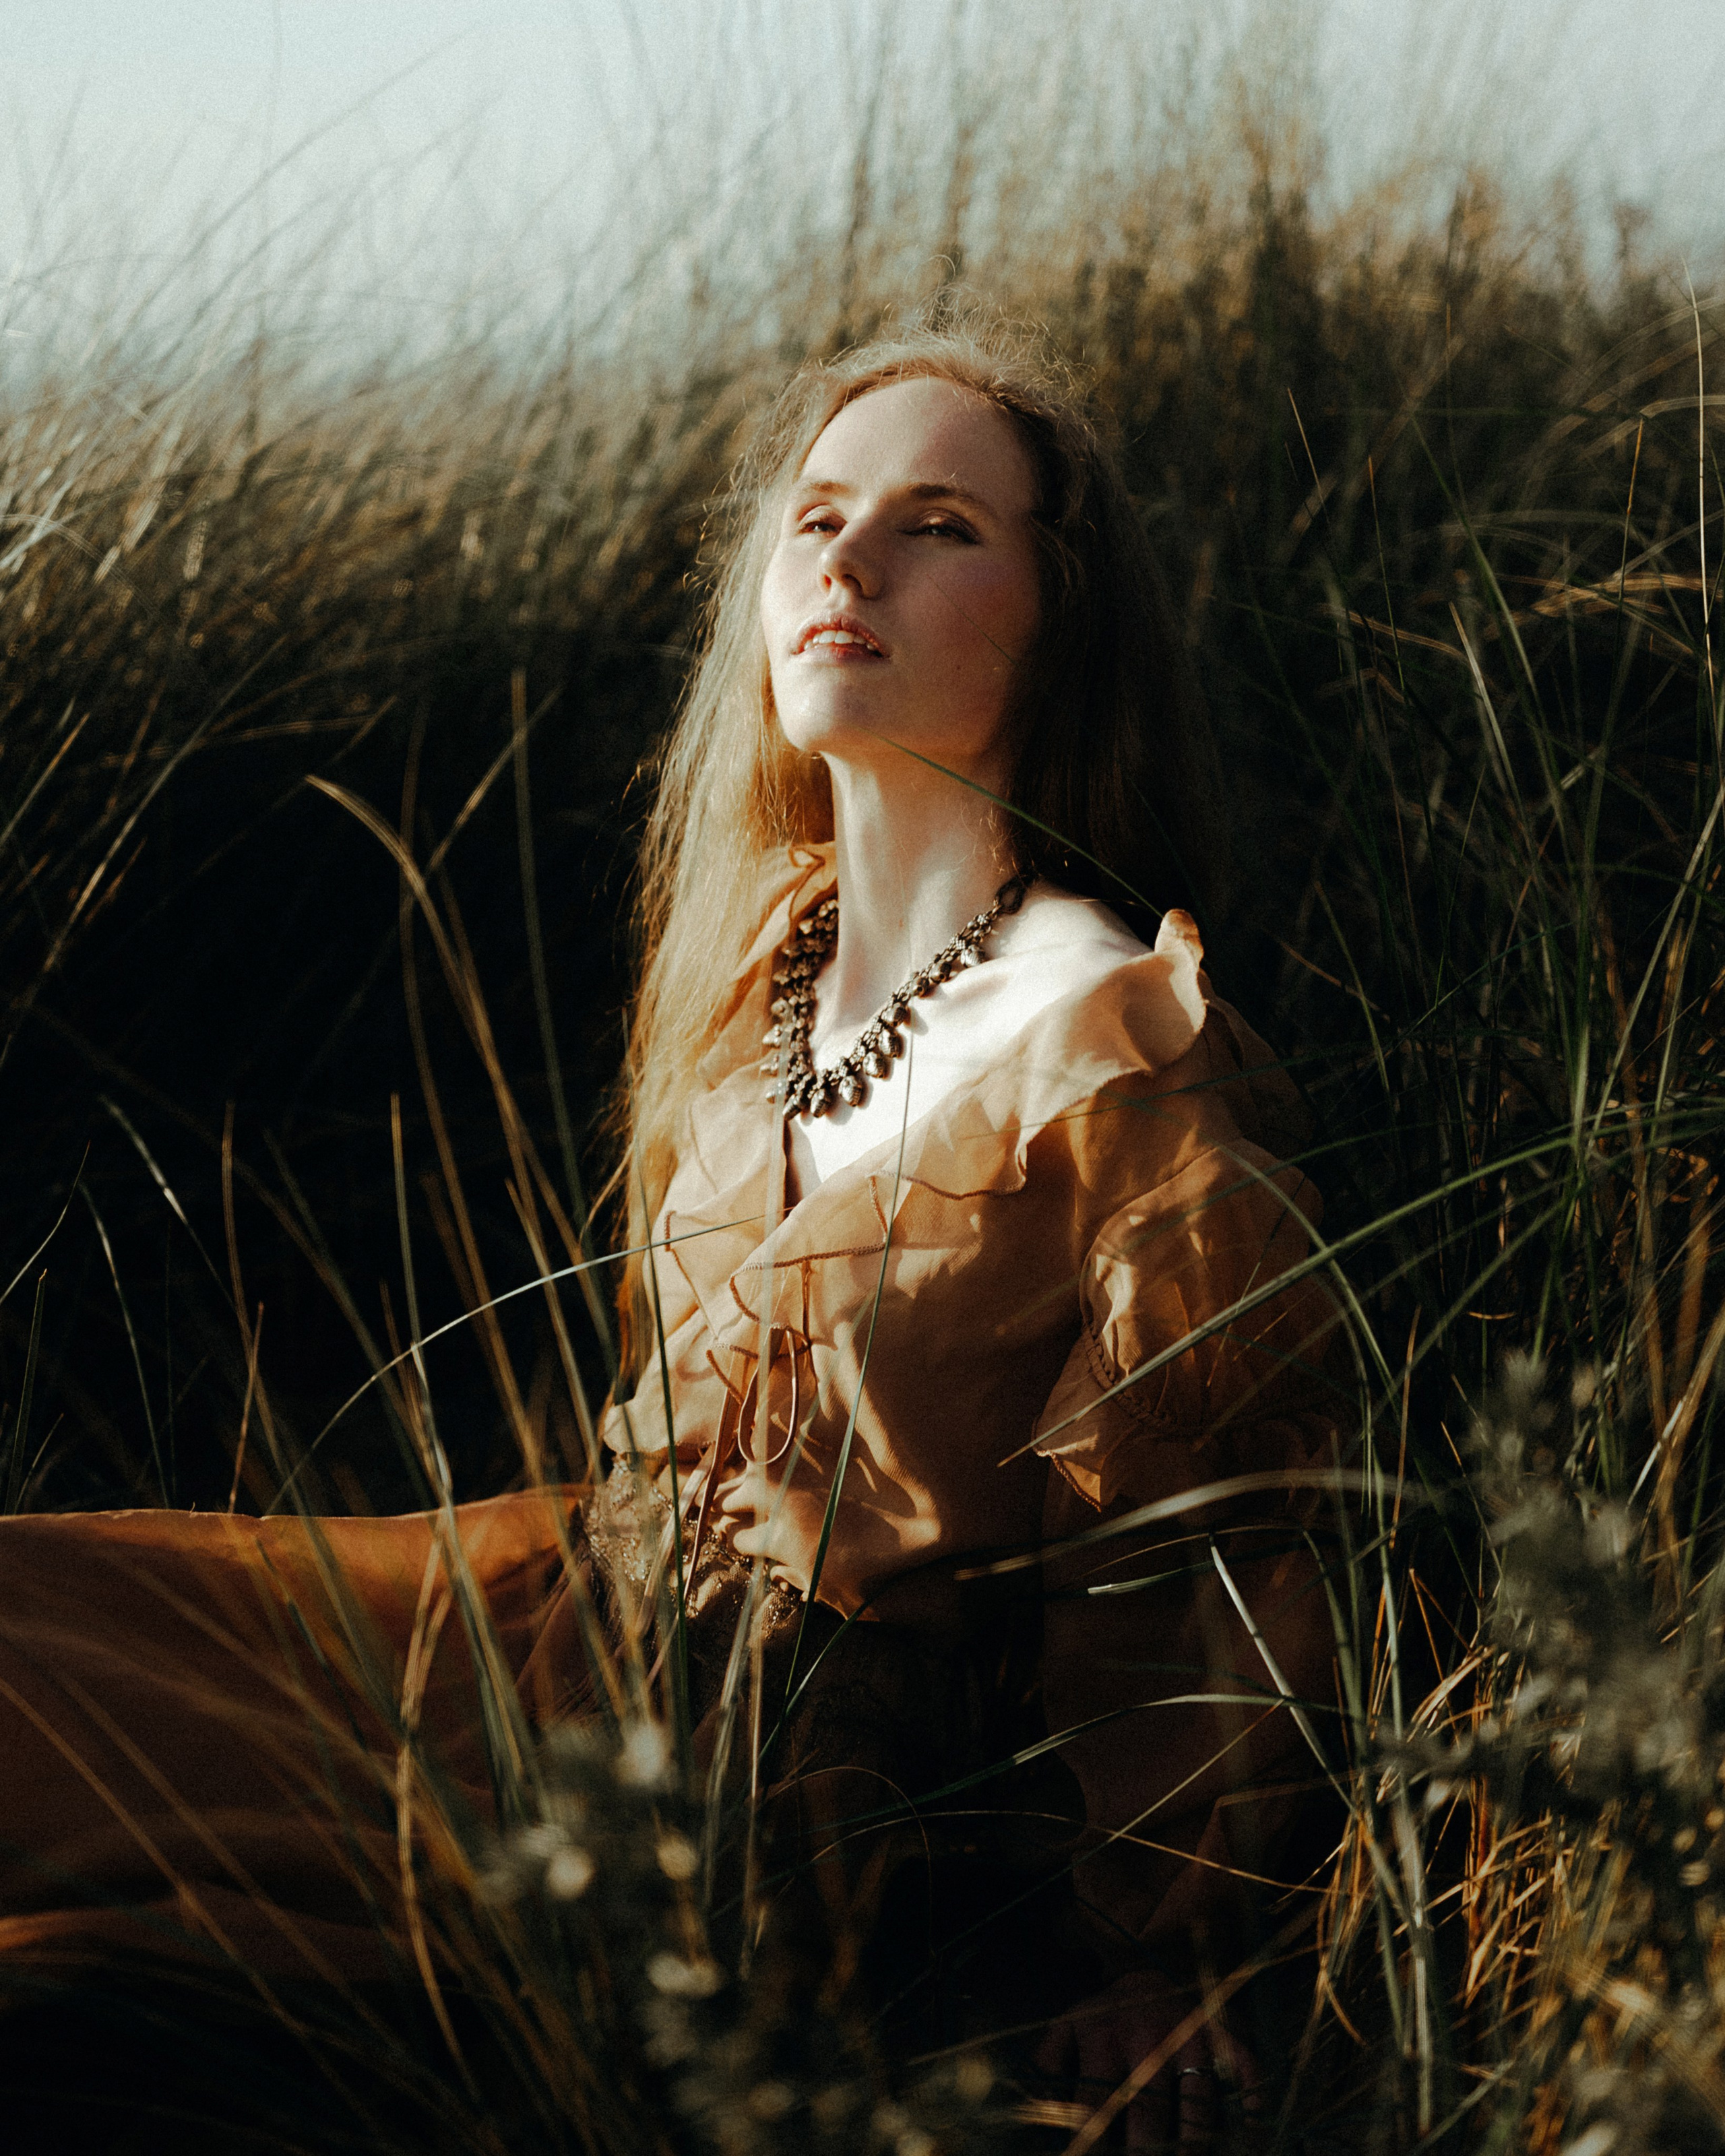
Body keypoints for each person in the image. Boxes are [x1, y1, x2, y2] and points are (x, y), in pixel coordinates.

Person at [0, 318, 1344, 2146]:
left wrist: (1165, 1950)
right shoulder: (760, 964)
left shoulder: (1121, 1053)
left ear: (1059, 613)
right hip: (555, 1610)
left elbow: (1197, 1535)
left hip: (789, 1772)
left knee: (104, 1956)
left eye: (939, 525)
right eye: (816, 518)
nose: (848, 564)